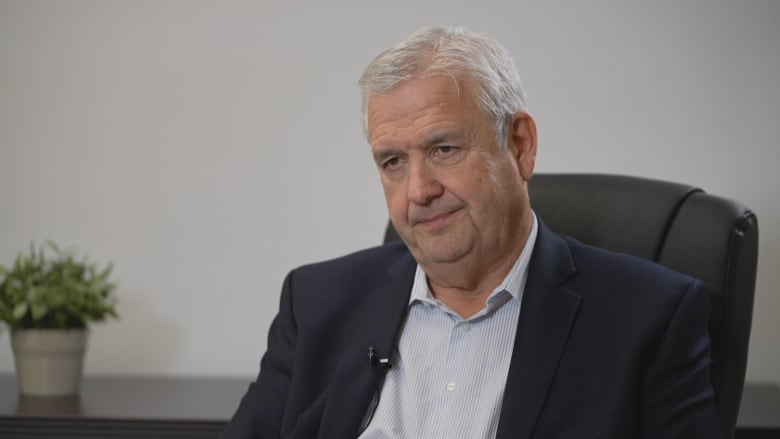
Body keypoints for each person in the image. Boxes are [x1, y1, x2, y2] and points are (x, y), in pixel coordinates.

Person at [223, 26, 722, 438]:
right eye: (393, 161)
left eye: (444, 149)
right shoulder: (316, 302)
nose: (418, 190)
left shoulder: (648, 317)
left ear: (521, 146)